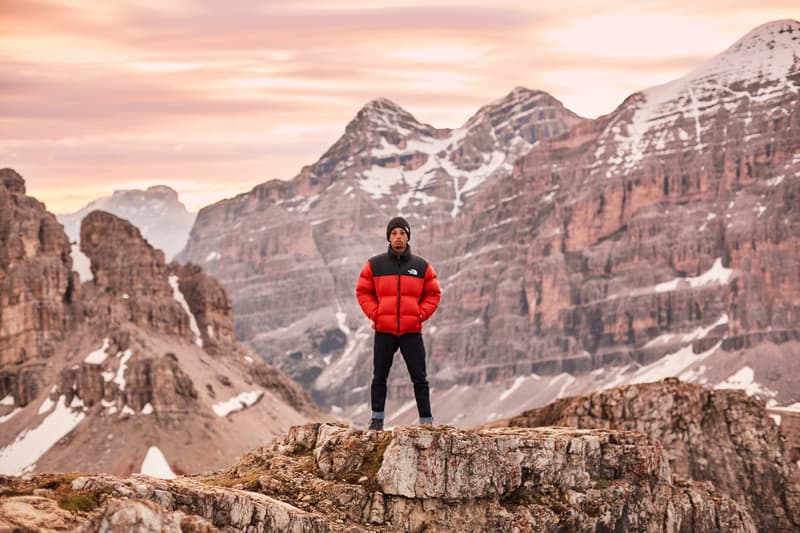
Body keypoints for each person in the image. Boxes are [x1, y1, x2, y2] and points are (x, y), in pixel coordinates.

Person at [355, 216, 441, 430]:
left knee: (419, 377)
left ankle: (426, 421)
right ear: (388, 238)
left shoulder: (421, 266)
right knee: (379, 376)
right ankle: (376, 420)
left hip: (411, 331)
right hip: (384, 330)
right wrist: (376, 314)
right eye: (394, 233)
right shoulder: (375, 265)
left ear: (408, 236)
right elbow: (363, 291)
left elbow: (433, 293)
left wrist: (419, 315)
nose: (398, 237)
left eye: (402, 233)